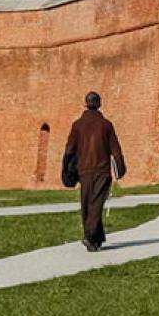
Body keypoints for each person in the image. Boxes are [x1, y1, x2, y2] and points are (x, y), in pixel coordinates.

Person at [64, 91, 126, 251]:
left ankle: (94, 240)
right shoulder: (106, 125)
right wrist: (120, 168)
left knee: (86, 204)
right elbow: (115, 149)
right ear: (99, 104)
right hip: (102, 171)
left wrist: (66, 170)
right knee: (96, 204)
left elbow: (69, 149)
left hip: (84, 170)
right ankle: (92, 236)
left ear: (85, 104)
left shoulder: (77, 125)